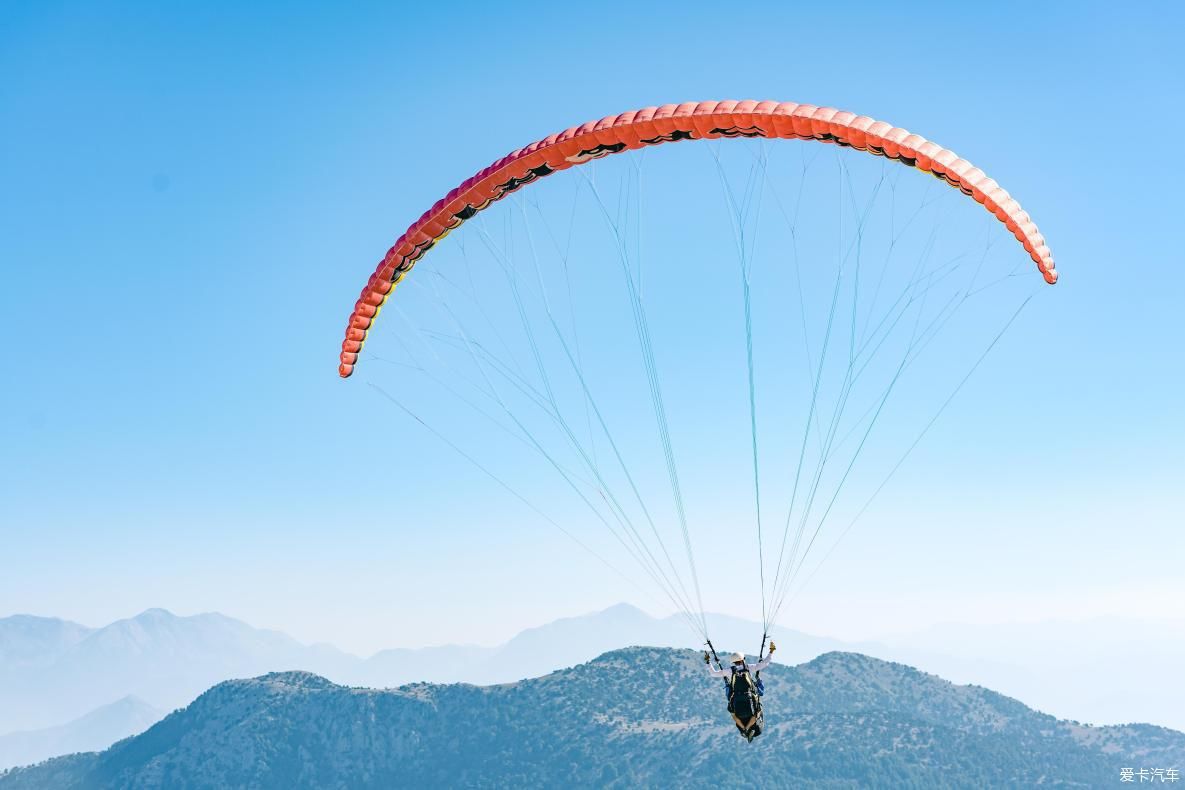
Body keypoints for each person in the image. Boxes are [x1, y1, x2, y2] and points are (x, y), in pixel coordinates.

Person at [704, 642, 776, 741]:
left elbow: (714, 673)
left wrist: (708, 662)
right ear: (742, 660)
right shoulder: (749, 668)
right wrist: (771, 652)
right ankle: (746, 729)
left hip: (736, 699)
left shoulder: (729, 671)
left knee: (734, 714)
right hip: (749, 697)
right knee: (757, 713)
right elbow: (764, 664)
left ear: (733, 662)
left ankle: (743, 729)